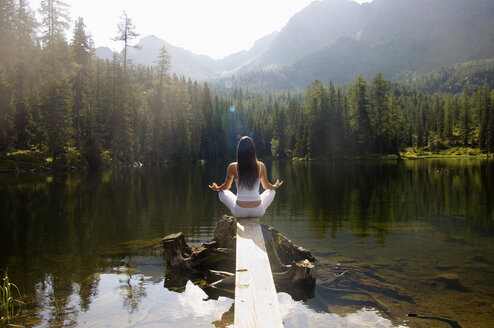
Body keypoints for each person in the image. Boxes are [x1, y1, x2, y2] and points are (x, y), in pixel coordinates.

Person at [209, 136, 283, 218]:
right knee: (272, 191)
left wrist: (217, 188)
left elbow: (227, 187)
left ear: (239, 151)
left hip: (239, 211)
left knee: (221, 192)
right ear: (253, 151)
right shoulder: (261, 166)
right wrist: (275, 186)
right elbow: (266, 186)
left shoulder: (232, 166)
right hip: (257, 211)